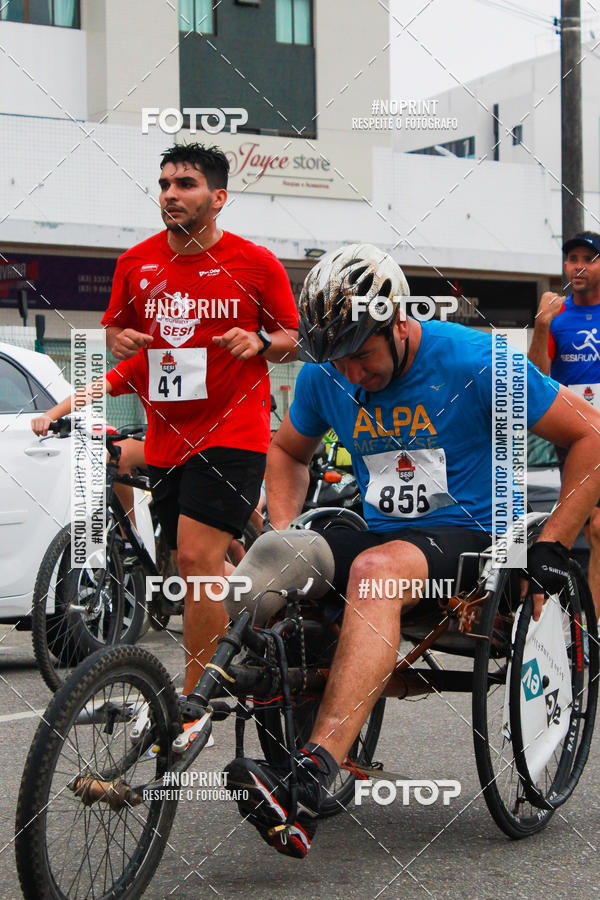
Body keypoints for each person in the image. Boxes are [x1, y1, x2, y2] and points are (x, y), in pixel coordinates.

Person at [223, 243, 600, 859]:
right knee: (274, 557)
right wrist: (285, 528)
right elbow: (287, 452)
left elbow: (589, 436)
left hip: (476, 541)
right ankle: (199, 703)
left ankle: (315, 772)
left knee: (379, 569)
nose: (349, 373)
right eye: (335, 360)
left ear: (398, 321)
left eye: (361, 355)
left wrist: (553, 546)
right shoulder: (328, 372)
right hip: (384, 532)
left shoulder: (477, 361)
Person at [100, 143, 298, 735]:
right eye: (163, 184)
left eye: (184, 184)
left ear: (217, 197)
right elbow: (114, 327)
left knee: (194, 559)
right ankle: (264, 612)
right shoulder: (135, 263)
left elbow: (291, 334)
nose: (170, 194)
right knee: (198, 563)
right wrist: (121, 342)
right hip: (166, 439)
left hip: (233, 431)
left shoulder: (256, 264)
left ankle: (196, 703)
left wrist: (261, 344)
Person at [528, 231, 600, 616]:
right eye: (572, 258)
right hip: (571, 431)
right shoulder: (556, 316)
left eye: (589, 258)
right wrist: (541, 327)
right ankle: (575, 620)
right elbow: (537, 381)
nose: (578, 266)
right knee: (578, 525)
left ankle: (593, 626)